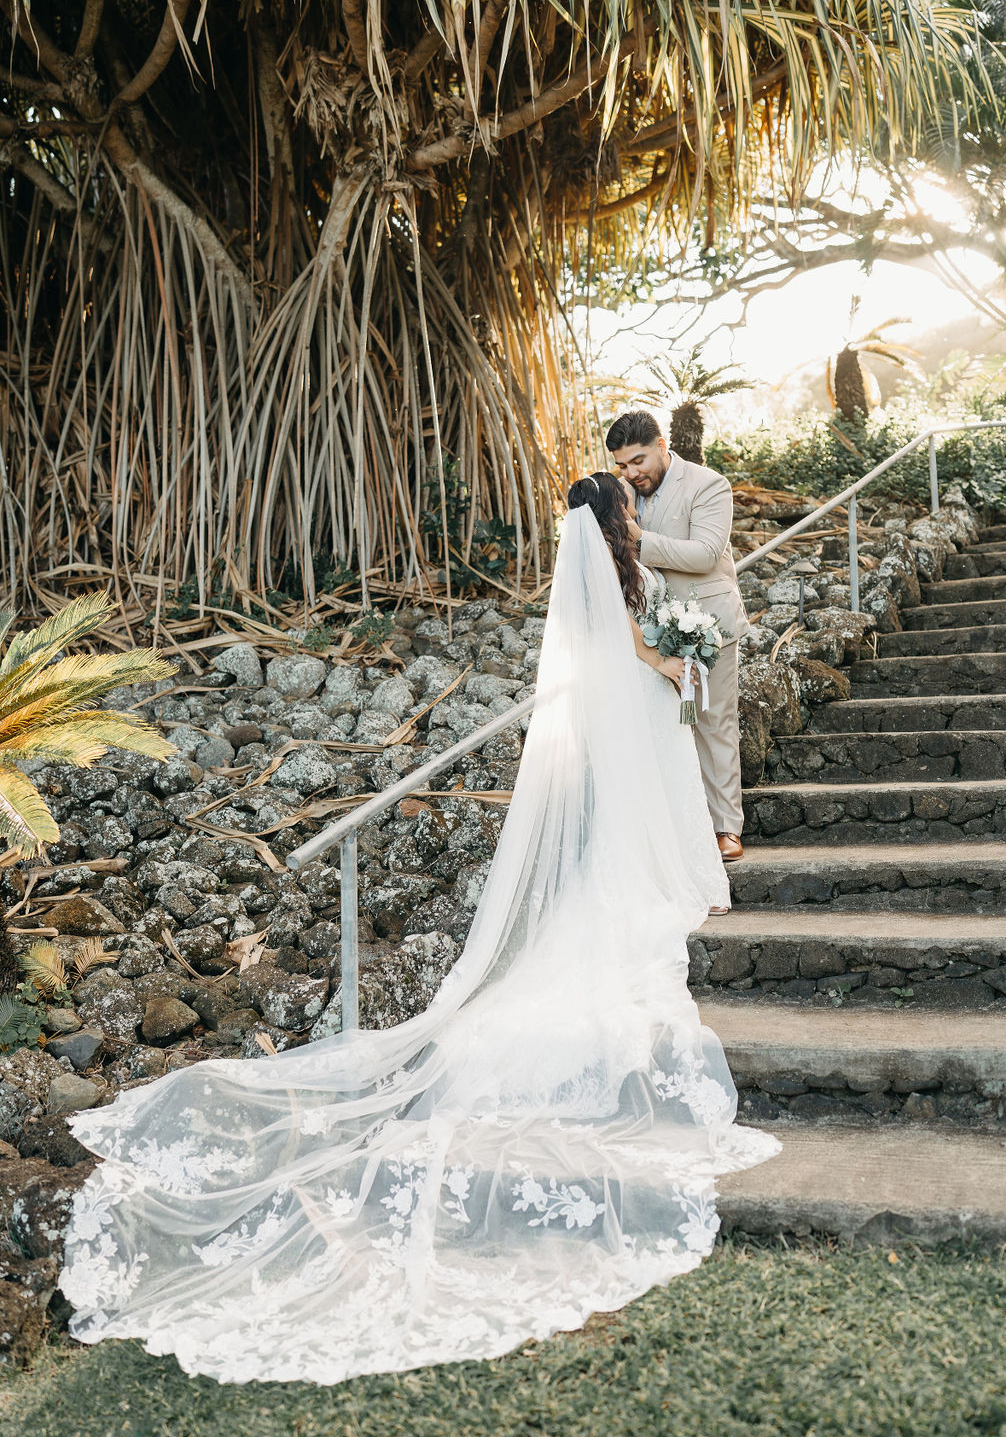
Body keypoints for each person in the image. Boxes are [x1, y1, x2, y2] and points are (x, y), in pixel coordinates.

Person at [59, 481, 781, 1386]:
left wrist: (672, 654)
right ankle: (667, 880)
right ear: (612, 525)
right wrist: (671, 659)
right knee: (628, 899)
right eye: (629, 510)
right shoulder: (613, 569)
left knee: (625, 862)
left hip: (627, 708)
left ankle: (667, 875)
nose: (638, 515)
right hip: (633, 703)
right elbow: (627, 645)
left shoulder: (604, 564)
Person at [606, 411, 747, 861]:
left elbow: (706, 554)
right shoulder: (626, 491)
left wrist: (638, 537)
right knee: (664, 727)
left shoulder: (708, 485)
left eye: (639, 460)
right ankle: (680, 828)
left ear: (663, 445)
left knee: (713, 721)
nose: (631, 473)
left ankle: (726, 827)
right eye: (622, 466)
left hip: (707, 624)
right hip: (653, 629)